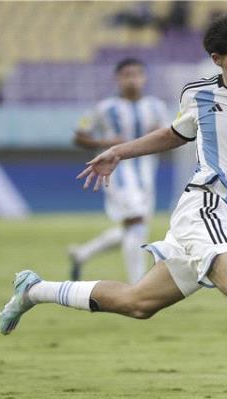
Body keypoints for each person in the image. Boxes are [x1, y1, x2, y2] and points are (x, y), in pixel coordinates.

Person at [0, 12, 227, 399]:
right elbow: (175, 133)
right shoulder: (198, 94)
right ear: (217, 59)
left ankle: (34, 290)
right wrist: (118, 151)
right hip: (206, 204)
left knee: (138, 302)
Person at [69, 58, 169, 284]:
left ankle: (82, 253)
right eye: (127, 75)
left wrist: (159, 133)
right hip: (117, 172)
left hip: (146, 172)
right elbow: (79, 136)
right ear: (118, 79)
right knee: (136, 222)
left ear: (144, 78)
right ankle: (138, 285)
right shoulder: (104, 108)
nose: (132, 80)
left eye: (137, 74)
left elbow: (169, 135)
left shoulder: (157, 107)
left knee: (135, 227)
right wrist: (106, 143)